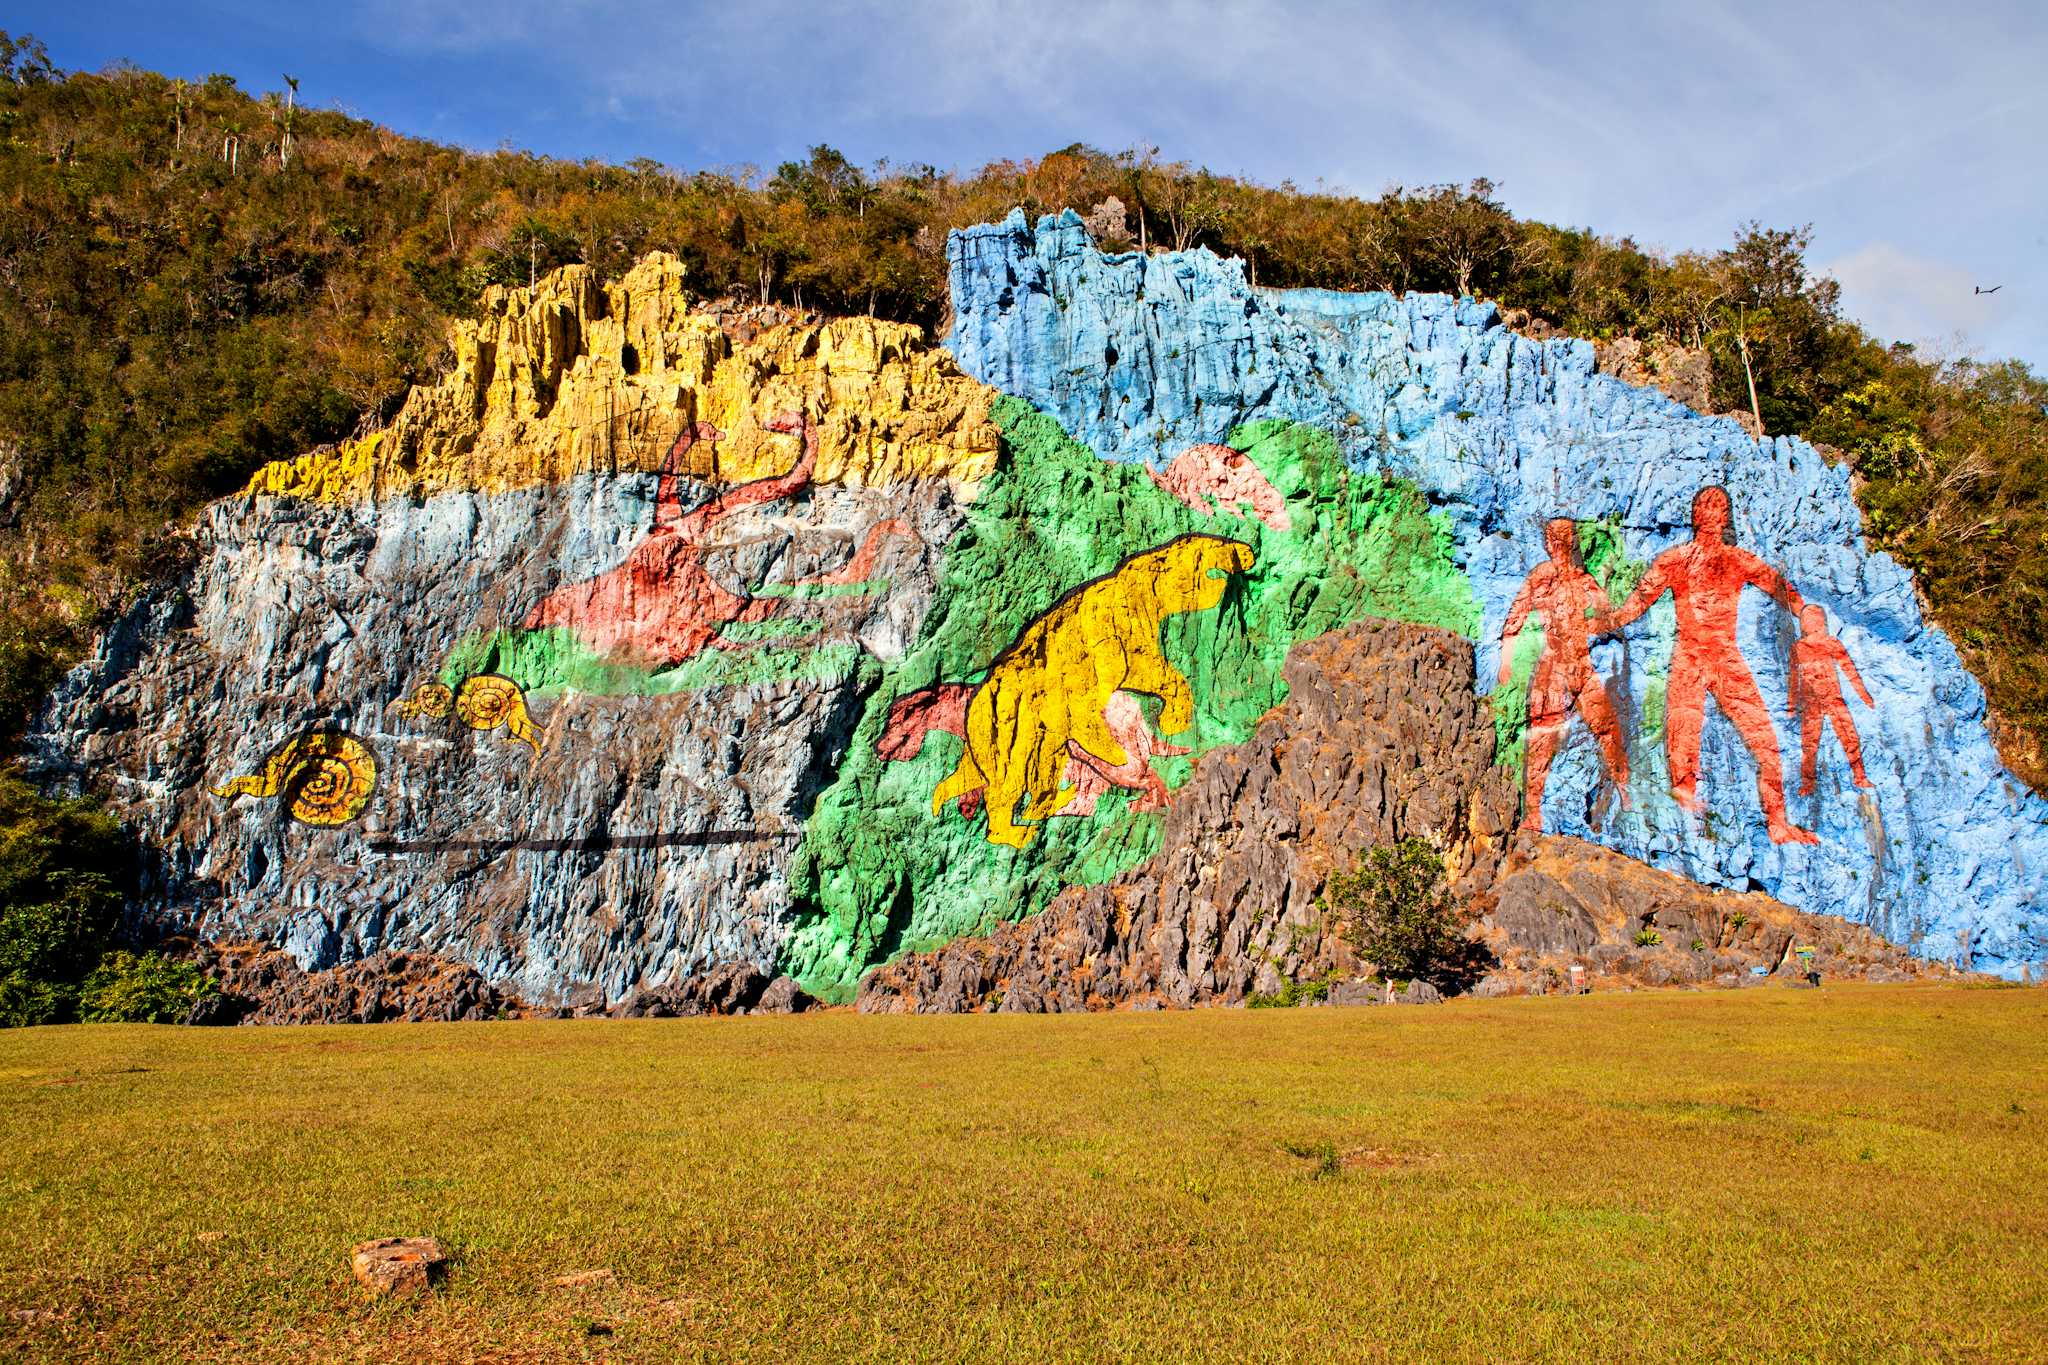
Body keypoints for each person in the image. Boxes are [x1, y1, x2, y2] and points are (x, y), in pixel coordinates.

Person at [1600, 486, 1818, 845]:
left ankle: (1778, 822)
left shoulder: (1738, 560)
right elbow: (1638, 602)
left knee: (1764, 737)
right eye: (1704, 504)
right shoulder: (1676, 559)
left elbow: (1778, 586)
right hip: (1689, 654)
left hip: (1725, 655)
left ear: (1727, 515)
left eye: (1719, 505)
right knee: (1682, 733)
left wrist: (1807, 615)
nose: (1712, 510)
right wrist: (1604, 622)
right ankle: (1684, 806)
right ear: (1694, 513)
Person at [1497, 517, 1631, 834]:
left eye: (1566, 536)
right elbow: (1515, 617)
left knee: (1607, 727)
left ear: (1572, 542)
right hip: (1552, 666)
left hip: (1581, 665)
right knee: (1542, 735)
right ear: (1547, 542)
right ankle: (1532, 813)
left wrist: (1599, 609)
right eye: (1554, 537)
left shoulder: (1583, 580)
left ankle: (1625, 790)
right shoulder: (1541, 577)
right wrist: (1506, 661)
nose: (1559, 542)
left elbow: (1605, 613)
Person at [1788, 603, 1874, 796]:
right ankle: (1808, 784)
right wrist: (1792, 705)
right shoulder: (1798, 648)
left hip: (1834, 698)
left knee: (1850, 738)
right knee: (1809, 744)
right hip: (1811, 703)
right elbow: (1794, 679)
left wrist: (1864, 696)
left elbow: (1849, 670)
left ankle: (1859, 776)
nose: (1812, 623)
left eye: (1815, 619)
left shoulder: (1831, 643)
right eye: (1808, 620)